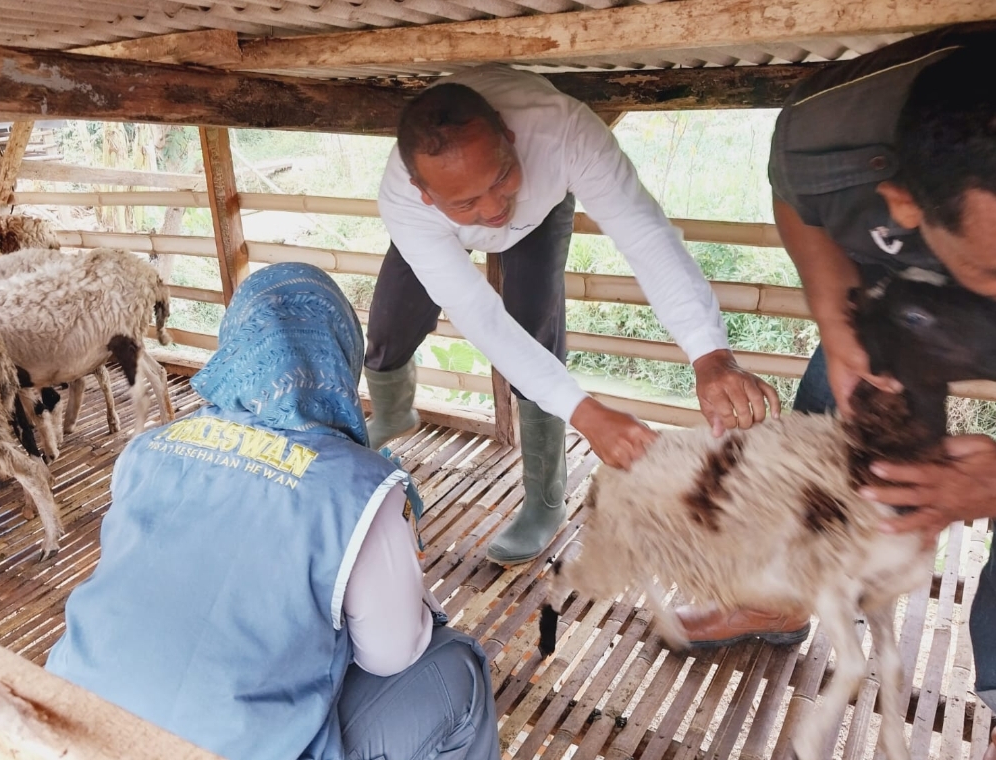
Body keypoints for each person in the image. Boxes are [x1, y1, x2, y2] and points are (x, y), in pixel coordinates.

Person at [682, 23, 996, 754]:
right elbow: (797, 197)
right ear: (905, 202)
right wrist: (832, 310)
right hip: (906, 291)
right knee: (851, 382)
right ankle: (788, 589)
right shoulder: (826, 132)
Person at [45, 263, 501, 760]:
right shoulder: (356, 486)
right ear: (339, 356)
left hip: (74, 728)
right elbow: (393, 653)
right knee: (456, 670)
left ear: (237, 348)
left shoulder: (149, 448)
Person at [366, 64, 780, 566]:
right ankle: (390, 414)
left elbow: (644, 236)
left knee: (535, 325)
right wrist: (588, 413)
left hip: (541, 212)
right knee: (389, 326)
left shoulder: (565, 131)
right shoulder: (404, 201)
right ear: (425, 192)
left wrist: (709, 352)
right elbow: (481, 317)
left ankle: (545, 499)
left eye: (501, 176)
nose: (496, 206)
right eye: (468, 200)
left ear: (508, 132)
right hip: (438, 233)